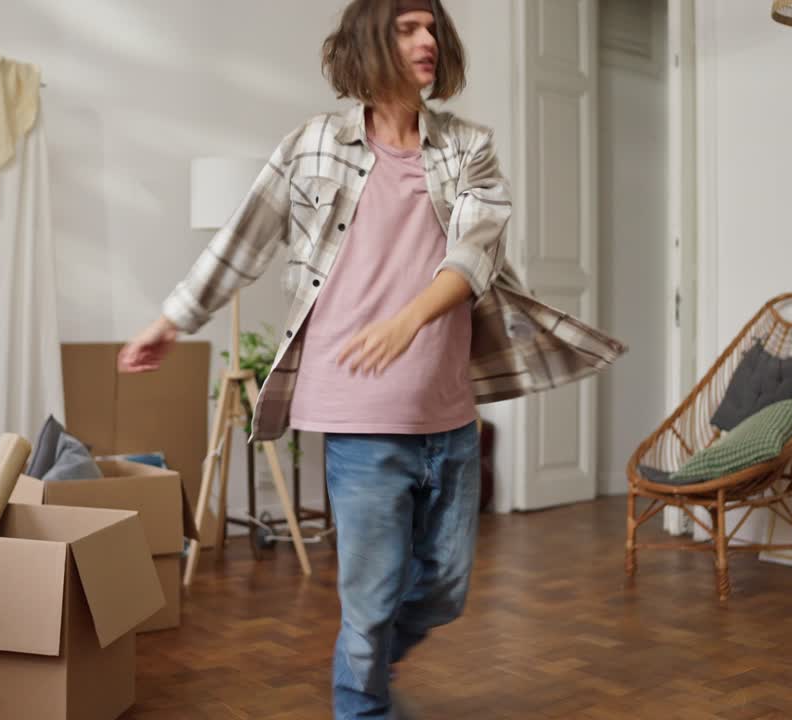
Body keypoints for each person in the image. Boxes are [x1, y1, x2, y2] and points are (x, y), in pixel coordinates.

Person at [118, 1, 624, 716]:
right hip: (356, 412)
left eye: (432, 27)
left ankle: (364, 675)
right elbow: (242, 239)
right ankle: (362, 702)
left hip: (446, 410)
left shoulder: (466, 148)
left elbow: (475, 254)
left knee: (445, 590)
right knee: (372, 598)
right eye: (406, 27)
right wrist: (172, 319)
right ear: (368, 42)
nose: (427, 40)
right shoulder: (312, 147)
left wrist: (409, 319)